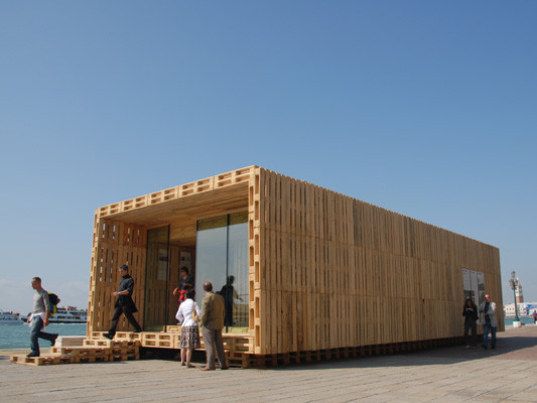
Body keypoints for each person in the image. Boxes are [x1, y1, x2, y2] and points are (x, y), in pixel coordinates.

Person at [104, 264, 142, 339]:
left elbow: (128, 291)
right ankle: (111, 334)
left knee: (129, 317)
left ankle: (138, 329)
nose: (120, 272)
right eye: (119, 271)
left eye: (121, 271)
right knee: (115, 317)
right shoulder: (122, 279)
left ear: (125, 271)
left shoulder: (130, 280)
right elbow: (121, 290)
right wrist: (118, 293)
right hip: (119, 302)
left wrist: (118, 293)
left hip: (126, 302)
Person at [27, 277, 59, 357]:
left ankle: (35, 352)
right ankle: (52, 337)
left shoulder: (43, 293)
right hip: (34, 315)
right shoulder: (35, 294)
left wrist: (46, 318)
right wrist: (30, 316)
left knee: (33, 334)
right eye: (32, 283)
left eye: (33, 283)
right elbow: (35, 307)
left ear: (39, 283)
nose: (32, 285)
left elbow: (47, 306)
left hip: (41, 315)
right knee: (35, 333)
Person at [200, 281, 228, 371]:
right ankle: (223, 364)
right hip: (219, 323)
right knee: (219, 345)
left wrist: (201, 323)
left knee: (209, 344)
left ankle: (210, 365)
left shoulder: (207, 298)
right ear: (211, 287)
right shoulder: (220, 297)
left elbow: (204, 314)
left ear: (204, 289)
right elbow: (223, 311)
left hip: (209, 325)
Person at [175, 289, 201, 367]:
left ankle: (182, 361)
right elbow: (199, 313)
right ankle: (188, 363)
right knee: (189, 346)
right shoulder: (194, 303)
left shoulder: (182, 304)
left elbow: (177, 315)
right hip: (192, 325)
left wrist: (182, 320)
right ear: (194, 296)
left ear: (186, 295)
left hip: (184, 325)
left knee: (183, 345)